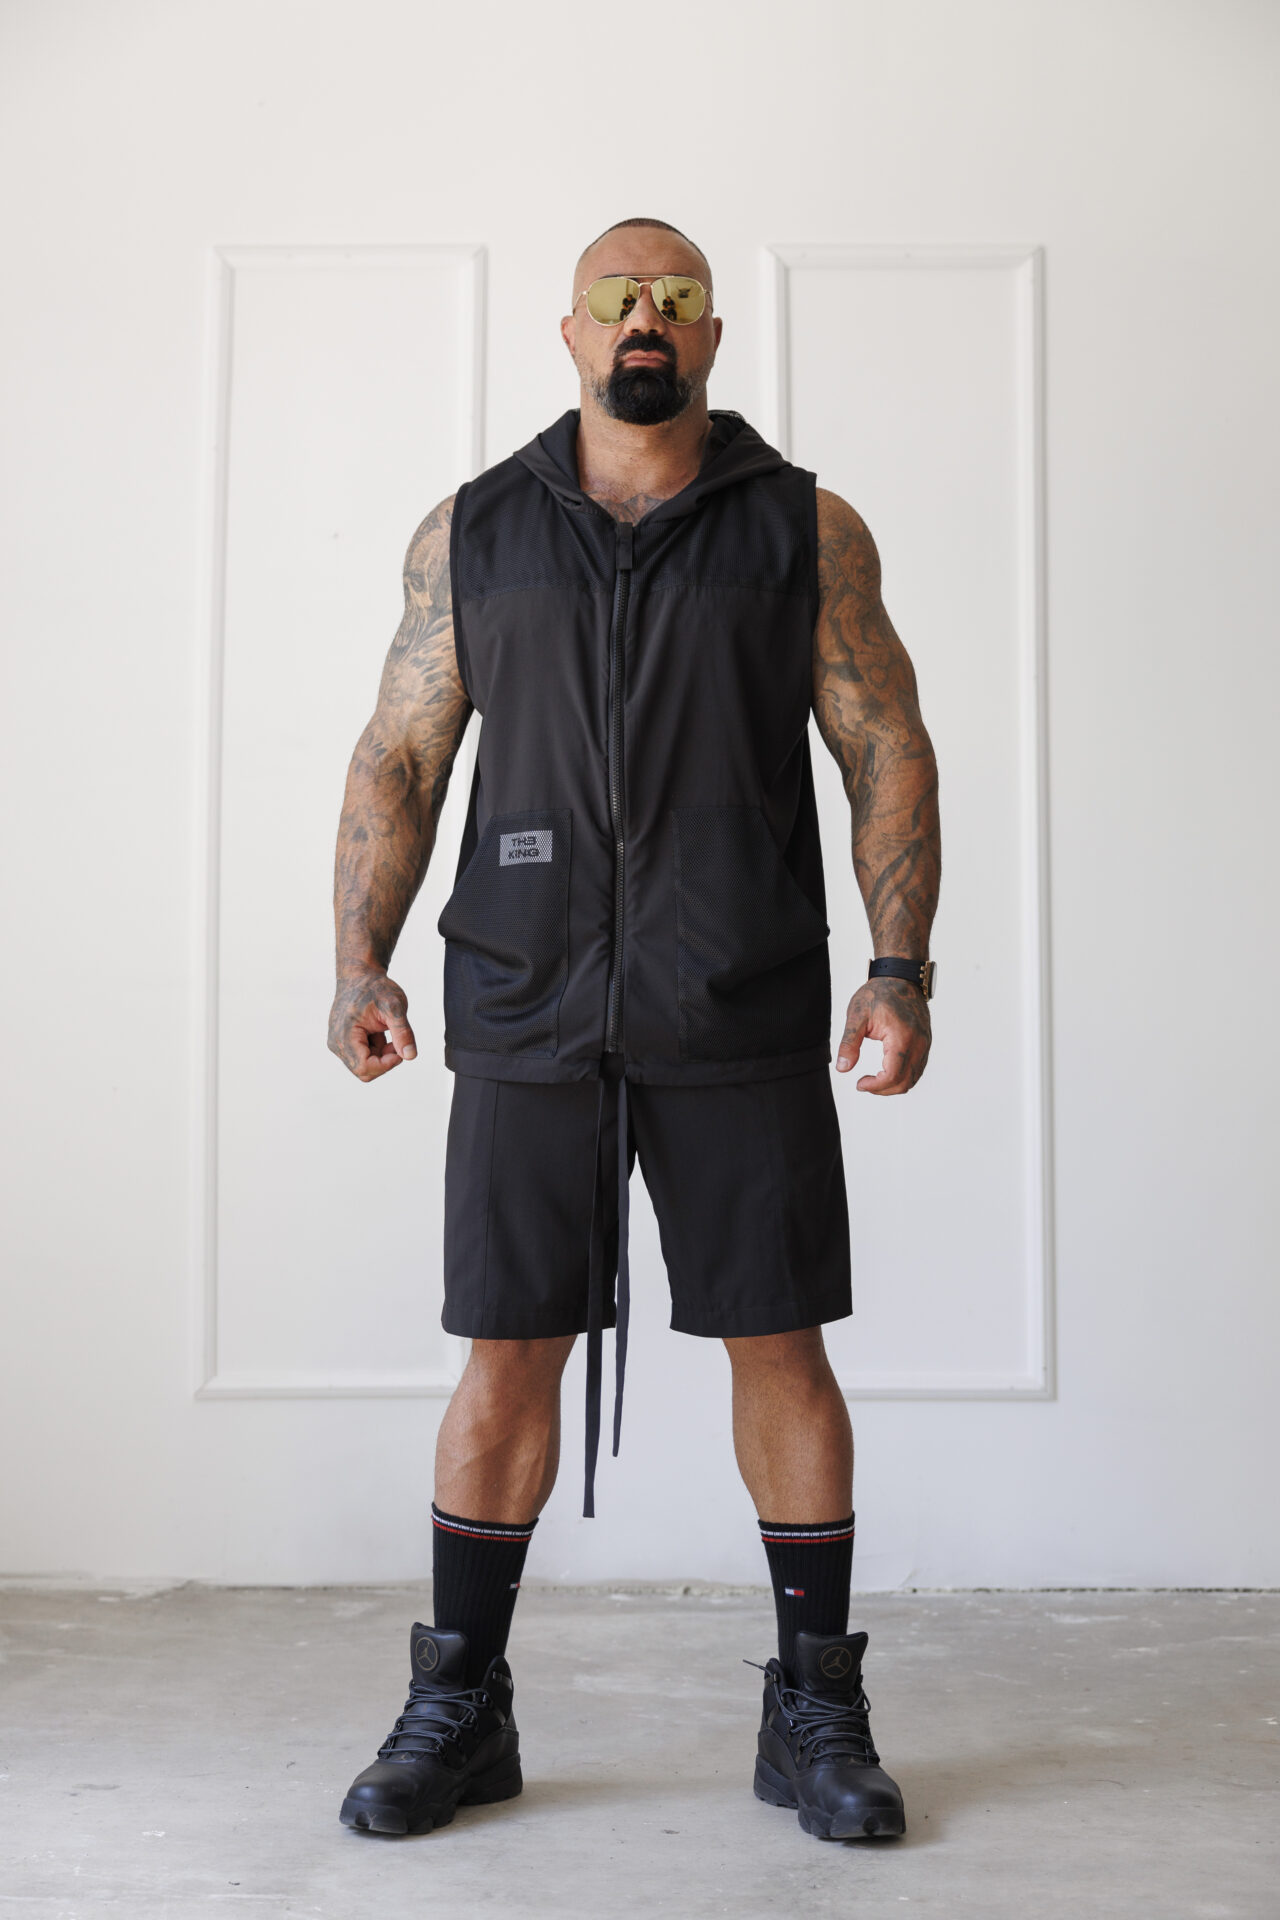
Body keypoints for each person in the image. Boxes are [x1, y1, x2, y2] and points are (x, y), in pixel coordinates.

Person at [326, 216, 941, 1844]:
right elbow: (400, 753)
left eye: (675, 298)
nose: (644, 319)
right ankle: (461, 1699)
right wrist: (358, 962)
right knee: (505, 1352)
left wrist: (898, 967)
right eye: (617, 298)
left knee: (780, 1344)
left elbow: (885, 744)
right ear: (572, 332)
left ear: (713, 336)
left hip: (738, 999)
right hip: (525, 1001)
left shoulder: (803, 529)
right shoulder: (474, 532)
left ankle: (814, 1707)